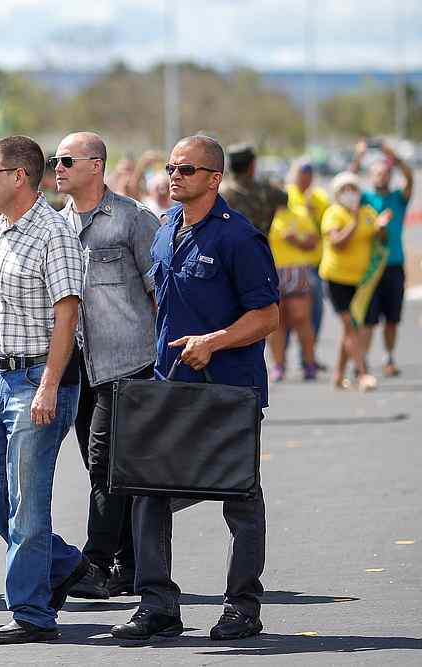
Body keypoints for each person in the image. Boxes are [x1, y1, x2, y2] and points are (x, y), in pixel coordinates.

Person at [112, 136, 279, 642]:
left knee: (240, 499)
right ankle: (158, 604)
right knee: (149, 492)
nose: (175, 175)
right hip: (171, 386)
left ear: (214, 178)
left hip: (228, 389)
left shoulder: (238, 239)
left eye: (187, 168)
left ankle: (242, 606)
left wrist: (215, 340)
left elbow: (267, 315)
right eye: (171, 167)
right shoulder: (164, 230)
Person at [0, 135, 90, 645]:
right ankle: (63, 566)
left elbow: (68, 314)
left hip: (37, 379)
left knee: (27, 503)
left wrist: (48, 385)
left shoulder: (54, 233)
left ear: (20, 176)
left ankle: (32, 613)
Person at [51, 132, 160, 600]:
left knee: (105, 464)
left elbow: (161, 291)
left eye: (67, 160)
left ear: (96, 166)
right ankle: (131, 564)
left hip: (126, 362)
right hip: (77, 367)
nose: (57, 167)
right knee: (109, 469)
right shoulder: (55, 226)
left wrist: (168, 362)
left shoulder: (133, 219)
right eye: (55, 160)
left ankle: (95, 562)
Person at [318, 173, 387, 392]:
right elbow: (337, 243)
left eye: (353, 189)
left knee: (350, 328)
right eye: (345, 189)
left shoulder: (368, 213)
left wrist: (382, 228)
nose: (350, 193)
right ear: (337, 193)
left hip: (360, 282)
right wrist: (354, 222)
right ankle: (363, 373)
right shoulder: (333, 214)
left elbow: (381, 242)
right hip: (337, 279)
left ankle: (339, 374)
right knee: (351, 327)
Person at [350, 141, 414, 377]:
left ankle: (389, 357)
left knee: (392, 319)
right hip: (369, 268)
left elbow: (410, 179)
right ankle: (363, 362)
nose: (382, 177)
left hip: (394, 266)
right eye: (378, 173)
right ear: (371, 176)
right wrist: (358, 158)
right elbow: (347, 184)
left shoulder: (399, 198)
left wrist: (393, 157)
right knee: (368, 319)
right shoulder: (364, 198)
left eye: (386, 173)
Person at [267, 177, 322, 382]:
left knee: (301, 319)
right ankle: (279, 366)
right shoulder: (264, 216)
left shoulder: (299, 214)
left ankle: (309, 363)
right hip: (272, 270)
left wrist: (296, 240)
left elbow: (313, 242)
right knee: (276, 322)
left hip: (296, 271)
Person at [284, 159, 330, 345]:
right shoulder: (286, 195)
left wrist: (312, 213)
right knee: (285, 313)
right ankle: (282, 359)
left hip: (314, 262)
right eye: (301, 175)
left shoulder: (319, 197)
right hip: (289, 263)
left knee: (315, 310)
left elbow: (324, 228)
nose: (305, 179)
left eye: (308, 176)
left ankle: (309, 356)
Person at [219, 143, 288, 237]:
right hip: (260, 249)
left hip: (226, 250)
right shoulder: (269, 192)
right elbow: (285, 200)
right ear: (252, 165)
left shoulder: (218, 193)